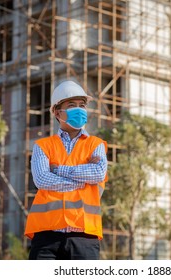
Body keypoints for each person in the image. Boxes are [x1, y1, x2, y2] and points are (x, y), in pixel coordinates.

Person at [25, 80, 108, 260]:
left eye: (82, 105)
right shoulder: (42, 146)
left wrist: (59, 170)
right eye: (71, 105)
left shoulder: (96, 145)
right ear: (57, 112)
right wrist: (82, 181)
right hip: (46, 236)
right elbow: (42, 180)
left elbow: (99, 173)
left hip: (84, 236)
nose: (79, 109)